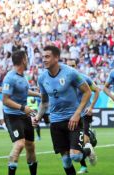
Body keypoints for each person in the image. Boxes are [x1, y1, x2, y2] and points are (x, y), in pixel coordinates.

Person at [32, 45, 95, 175]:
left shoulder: (70, 73)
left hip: (73, 119)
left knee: (76, 156)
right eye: (43, 57)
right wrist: (38, 116)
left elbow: (87, 92)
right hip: (55, 122)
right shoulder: (42, 78)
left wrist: (78, 114)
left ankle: (87, 150)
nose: (44, 59)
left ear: (56, 58)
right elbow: (44, 102)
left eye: (47, 56)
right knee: (66, 160)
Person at [2, 50, 40, 175]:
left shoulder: (22, 76)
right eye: (27, 58)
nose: (28, 60)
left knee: (30, 146)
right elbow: (5, 100)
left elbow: (25, 91)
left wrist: (39, 94)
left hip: (24, 115)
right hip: (12, 115)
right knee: (19, 144)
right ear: (23, 60)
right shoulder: (10, 78)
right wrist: (23, 108)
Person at [66, 59, 100, 174]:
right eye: (69, 65)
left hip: (85, 113)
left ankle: (90, 141)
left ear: (76, 65)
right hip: (72, 114)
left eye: (73, 65)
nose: (71, 67)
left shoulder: (83, 78)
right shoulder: (64, 81)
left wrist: (91, 107)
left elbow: (96, 90)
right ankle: (84, 165)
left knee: (84, 140)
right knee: (75, 142)